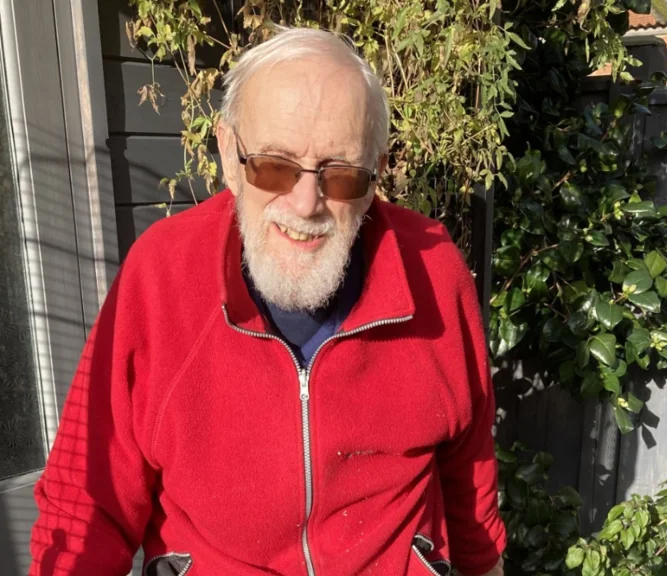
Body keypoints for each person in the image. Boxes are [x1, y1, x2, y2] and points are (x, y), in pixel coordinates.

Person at [29, 27, 506, 576]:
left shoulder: (433, 272)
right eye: (274, 166)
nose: (306, 204)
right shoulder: (161, 276)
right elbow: (87, 501)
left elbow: (471, 477)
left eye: (342, 173)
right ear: (230, 155)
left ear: (374, 174)